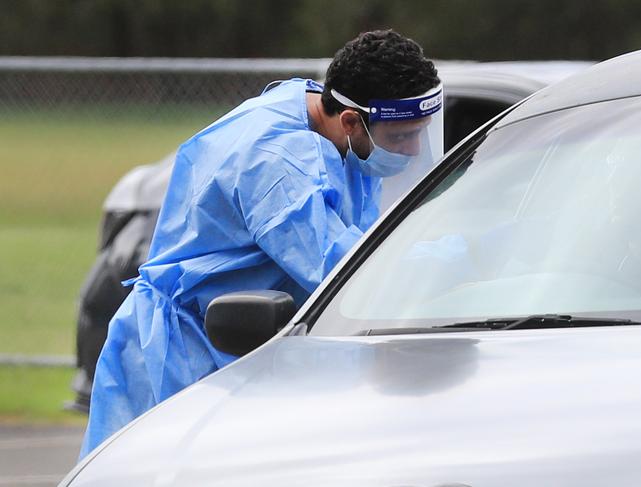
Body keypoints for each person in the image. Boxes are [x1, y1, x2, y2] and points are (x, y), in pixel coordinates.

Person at [80, 29, 441, 458]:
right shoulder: (276, 165)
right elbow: (342, 271)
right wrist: (449, 259)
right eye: (399, 137)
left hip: (233, 353)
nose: (412, 149)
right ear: (349, 120)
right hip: (181, 358)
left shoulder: (317, 113)